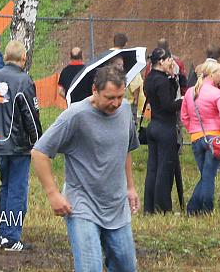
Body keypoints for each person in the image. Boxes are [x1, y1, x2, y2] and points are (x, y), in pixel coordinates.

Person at [32, 64, 140, 272]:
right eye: (110, 97)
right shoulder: (75, 116)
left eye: (119, 96)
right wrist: (53, 194)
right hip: (82, 206)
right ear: (94, 91)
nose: (115, 103)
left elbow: (125, 148)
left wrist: (130, 187)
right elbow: (39, 152)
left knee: (126, 267)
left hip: (117, 206)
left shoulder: (125, 110)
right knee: (90, 268)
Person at [0, 40, 42, 251]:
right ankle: (11, 237)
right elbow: (30, 115)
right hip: (17, 144)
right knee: (17, 189)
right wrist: (39, 142)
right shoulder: (24, 80)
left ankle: (3, 233)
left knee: (6, 187)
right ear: (23, 59)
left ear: (5, 57)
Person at [180, 60, 220, 215]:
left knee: (205, 175)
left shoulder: (190, 92)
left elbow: (184, 116)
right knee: (209, 176)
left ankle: (193, 209)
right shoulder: (217, 93)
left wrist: (192, 130)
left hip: (196, 138)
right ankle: (205, 209)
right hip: (214, 138)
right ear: (212, 74)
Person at [142, 47, 181, 214]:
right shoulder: (162, 81)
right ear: (160, 61)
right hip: (165, 127)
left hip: (153, 126)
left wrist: (172, 77)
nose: (172, 61)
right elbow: (168, 105)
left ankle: (149, 207)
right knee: (164, 169)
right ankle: (162, 207)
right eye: (169, 59)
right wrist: (184, 101)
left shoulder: (151, 78)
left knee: (153, 168)